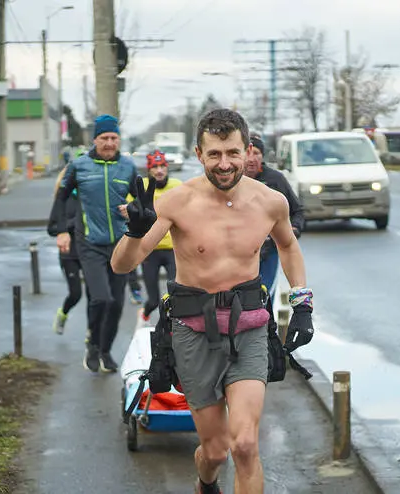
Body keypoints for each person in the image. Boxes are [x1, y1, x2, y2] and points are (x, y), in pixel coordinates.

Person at [110, 109, 315, 494]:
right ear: (199, 154)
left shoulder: (271, 202)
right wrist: (134, 232)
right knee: (216, 450)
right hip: (193, 333)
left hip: (249, 329)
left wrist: (302, 301)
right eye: (215, 154)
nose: (225, 164)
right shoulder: (175, 203)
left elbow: (288, 246)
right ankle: (206, 482)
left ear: (248, 150)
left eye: (233, 153)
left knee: (245, 444)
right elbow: (123, 264)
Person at [53, 114, 139, 373]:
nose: (110, 143)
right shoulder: (79, 166)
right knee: (100, 298)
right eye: (105, 138)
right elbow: (61, 197)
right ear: (95, 140)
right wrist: (61, 231)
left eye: (114, 138)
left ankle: (105, 350)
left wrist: (132, 209)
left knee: (116, 304)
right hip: (89, 243)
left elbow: (142, 202)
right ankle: (92, 344)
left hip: (120, 244)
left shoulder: (127, 167)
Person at [119, 150, 182, 322]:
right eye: (155, 167)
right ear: (149, 170)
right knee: (153, 300)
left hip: (172, 250)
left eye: (162, 166)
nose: (159, 170)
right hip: (149, 250)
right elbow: (128, 205)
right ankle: (145, 314)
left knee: (176, 296)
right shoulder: (141, 185)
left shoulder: (177, 185)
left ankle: (169, 329)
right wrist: (127, 210)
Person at [243, 134, 305, 298]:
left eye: (256, 153)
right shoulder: (231, 180)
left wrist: (295, 228)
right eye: (247, 153)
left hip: (269, 248)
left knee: (264, 294)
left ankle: (268, 322)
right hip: (240, 251)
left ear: (262, 157)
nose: (251, 158)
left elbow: (297, 209)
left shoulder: (275, 179)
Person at [47, 165, 88, 335]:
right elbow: (51, 228)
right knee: (76, 293)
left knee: (96, 296)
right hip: (68, 253)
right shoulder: (62, 198)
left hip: (89, 251)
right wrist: (72, 225)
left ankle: (92, 332)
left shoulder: (89, 196)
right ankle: (63, 314)